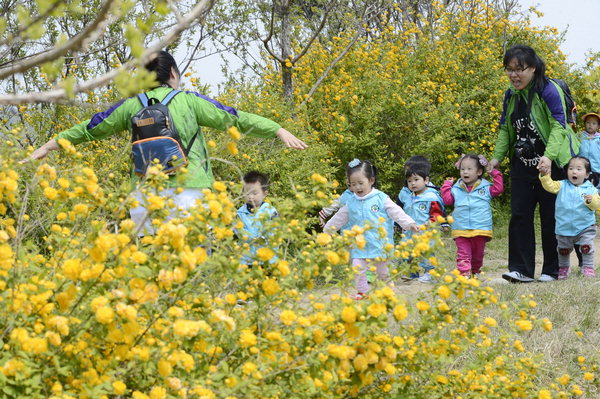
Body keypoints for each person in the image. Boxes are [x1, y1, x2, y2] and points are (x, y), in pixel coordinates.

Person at [22, 50, 307, 234]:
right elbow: (235, 118)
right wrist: (276, 129)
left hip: (145, 196)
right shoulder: (189, 101)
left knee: (151, 269)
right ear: (173, 74)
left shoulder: (131, 105)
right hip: (190, 195)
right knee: (193, 266)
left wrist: (49, 145)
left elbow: (90, 128)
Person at [488, 44, 578, 283]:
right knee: (519, 215)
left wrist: (548, 157)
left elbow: (559, 125)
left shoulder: (549, 90)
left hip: (554, 163)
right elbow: (506, 129)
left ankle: (553, 269)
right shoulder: (510, 94)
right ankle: (521, 269)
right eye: (509, 69)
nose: (514, 75)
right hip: (522, 164)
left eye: (520, 69)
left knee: (551, 216)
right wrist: (496, 158)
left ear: (534, 68)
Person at [324, 159, 418, 300]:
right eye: (353, 184)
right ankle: (363, 292)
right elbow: (340, 217)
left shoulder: (380, 198)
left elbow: (396, 212)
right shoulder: (351, 202)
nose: (357, 187)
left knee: (383, 272)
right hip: (359, 246)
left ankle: (388, 292)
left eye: (361, 183)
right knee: (357, 268)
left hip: (380, 244)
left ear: (371, 180)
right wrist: (327, 231)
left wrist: (409, 223)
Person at [441, 154, 504, 277]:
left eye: (469, 169)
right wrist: (446, 186)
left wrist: (494, 173)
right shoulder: (456, 188)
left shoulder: (485, 187)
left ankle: (475, 271)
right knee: (463, 254)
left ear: (479, 171)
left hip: (481, 227)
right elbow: (448, 201)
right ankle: (464, 274)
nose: (465, 172)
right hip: (461, 228)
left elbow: (499, 189)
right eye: (462, 169)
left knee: (477, 255)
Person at [539, 156, 600, 278]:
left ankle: (587, 267)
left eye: (579, 169)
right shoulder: (562, 185)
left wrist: (591, 201)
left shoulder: (590, 189)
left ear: (587, 174)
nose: (574, 171)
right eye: (571, 168)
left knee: (586, 247)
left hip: (585, 226)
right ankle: (564, 269)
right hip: (564, 226)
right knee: (563, 250)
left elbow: (596, 205)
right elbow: (549, 186)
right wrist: (545, 176)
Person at [401, 163, 446, 283]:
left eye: (416, 180)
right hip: (410, 232)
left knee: (426, 252)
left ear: (426, 180)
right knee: (409, 251)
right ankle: (412, 272)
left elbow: (436, 215)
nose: (413, 183)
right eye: (410, 181)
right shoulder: (409, 197)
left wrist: (427, 225)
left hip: (426, 232)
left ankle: (429, 273)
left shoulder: (431, 197)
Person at [236, 171, 279, 266]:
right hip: (246, 259)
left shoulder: (270, 211)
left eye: (254, 193)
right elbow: (238, 231)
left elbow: (276, 230)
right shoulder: (240, 213)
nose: (250, 197)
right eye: (247, 193)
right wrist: (252, 238)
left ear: (265, 194)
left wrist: (263, 238)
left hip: (268, 259)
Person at [578, 113, 600, 187]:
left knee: (596, 191)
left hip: (597, 170)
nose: (590, 125)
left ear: (598, 126)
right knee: (582, 189)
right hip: (582, 169)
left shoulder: (599, 138)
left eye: (594, 123)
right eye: (588, 122)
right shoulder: (579, 136)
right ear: (584, 124)